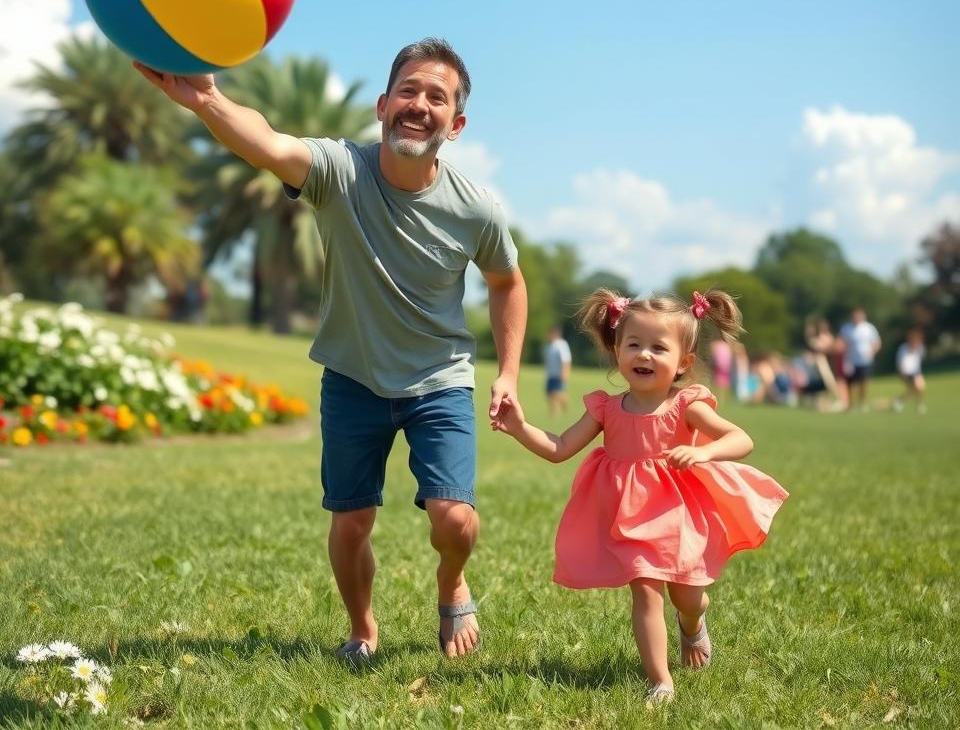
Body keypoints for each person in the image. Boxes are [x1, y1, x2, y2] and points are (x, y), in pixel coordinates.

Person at [137, 37, 528, 662]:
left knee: (454, 519)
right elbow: (269, 142)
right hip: (352, 378)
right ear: (382, 105)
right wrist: (207, 100)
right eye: (408, 90)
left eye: (437, 97)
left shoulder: (475, 207)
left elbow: (508, 282)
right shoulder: (339, 170)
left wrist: (508, 373)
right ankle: (363, 629)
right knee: (351, 521)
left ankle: (452, 580)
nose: (419, 104)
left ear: (456, 124)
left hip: (439, 379)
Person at [494, 288, 787, 707]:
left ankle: (693, 621)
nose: (644, 355)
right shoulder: (605, 408)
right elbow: (559, 447)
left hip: (679, 514)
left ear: (683, 361)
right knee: (645, 588)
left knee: (687, 595)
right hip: (630, 517)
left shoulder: (688, 404)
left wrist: (703, 451)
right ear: (617, 351)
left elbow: (741, 439)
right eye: (633, 344)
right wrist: (519, 427)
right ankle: (660, 681)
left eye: (657, 348)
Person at [837, 308, 881, 411]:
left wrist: (871, 353)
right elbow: (840, 342)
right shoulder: (846, 328)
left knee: (864, 382)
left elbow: (876, 343)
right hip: (850, 361)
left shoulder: (869, 328)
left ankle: (862, 402)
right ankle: (850, 403)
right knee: (850, 383)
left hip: (865, 361)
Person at [893, 329, 927, 414]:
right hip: (906, 372)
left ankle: (900, 401)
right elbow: (900, 361)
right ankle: (917, 404)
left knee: (918, 389)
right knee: (916, 387)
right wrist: (901, 372)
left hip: (916, 372)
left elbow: (920, 358)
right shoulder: (903, 348)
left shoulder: (920, 348)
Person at [543, 326, 572, 415]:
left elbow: (566, 360)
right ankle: (553, 411)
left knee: (557, 393)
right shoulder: (550, 345)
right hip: (550, 374)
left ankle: (566, 406)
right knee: (549, 393)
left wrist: (565, 373)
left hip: (558, 374)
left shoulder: (561, 344)